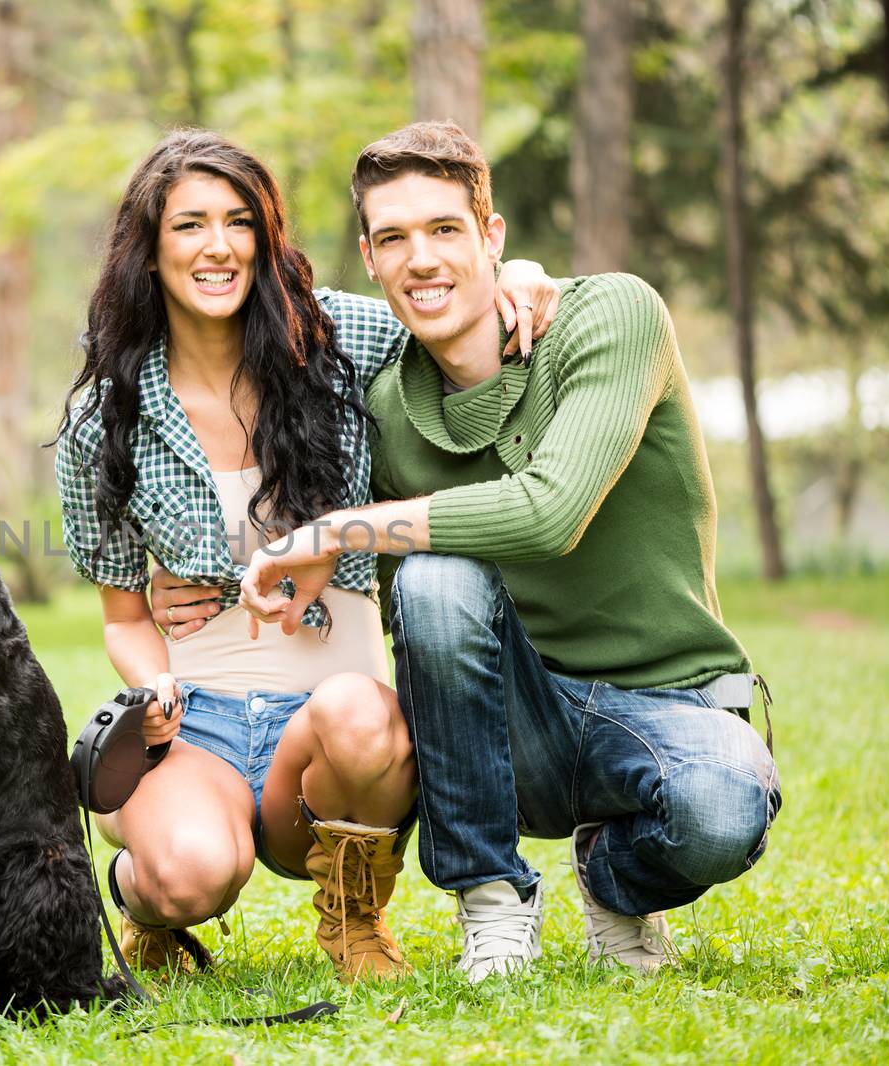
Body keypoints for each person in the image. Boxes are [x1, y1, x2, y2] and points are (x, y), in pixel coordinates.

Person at [164, 121, 783, 984]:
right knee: (437, 579)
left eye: (445, 229)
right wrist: (194, 587)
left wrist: (346, 526)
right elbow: (237, 349)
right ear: (371, 262)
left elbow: (549, 514)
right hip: (504, 730)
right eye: (394, 239)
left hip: (661, 704)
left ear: (493, 237)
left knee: (721, 811)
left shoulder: (613, 316)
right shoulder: (382, 401)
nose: (422, 259)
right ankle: (491, 900)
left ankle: (613, 882)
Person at [54, 129, 560, 981]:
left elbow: (438, 303)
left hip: (330, 728)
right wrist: (155, 684)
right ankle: (145, 900)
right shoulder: (105, 418)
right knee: (185, 876)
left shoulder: (338, 341)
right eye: (189, 226)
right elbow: (124, 616)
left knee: (360, 719)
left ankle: (356, 916)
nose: (218, 246)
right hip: (199, 725)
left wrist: (515, 275)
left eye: (238, 221)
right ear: (148, 250)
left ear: (265, 236)